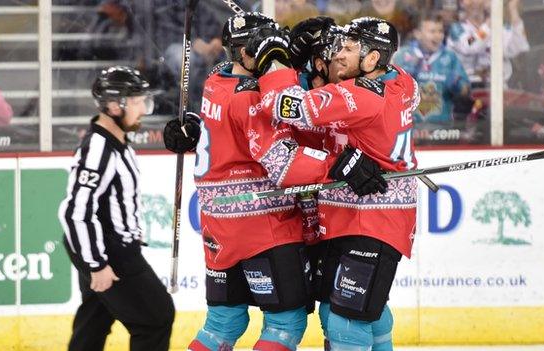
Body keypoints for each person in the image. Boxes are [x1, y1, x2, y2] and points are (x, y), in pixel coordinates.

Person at [162, 12, 387, 351]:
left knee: (225, 321)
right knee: (286, 323)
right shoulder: (255, 96)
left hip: (218, 225)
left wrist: (192, 125)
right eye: (267, 48)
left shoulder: (217, 80)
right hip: (264, 223)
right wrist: (339, 165)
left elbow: (230, 129)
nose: (275, 55)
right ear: (248, 54)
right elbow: (283, 160)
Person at [250, 16, 420, 350]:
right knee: (345, 311)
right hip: (356, 217)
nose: (339, 54)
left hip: (373, 220)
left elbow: (285, 107)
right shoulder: (403, 81)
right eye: (339, 47)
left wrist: (277, 59)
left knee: (345, 321)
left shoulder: (358, 95)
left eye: (349, 48)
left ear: (372, 59)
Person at [58, 66, 175, 351]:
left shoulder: (118, 143)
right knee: (156, 317)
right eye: (136, 102)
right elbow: (74, 213)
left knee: (94, 321)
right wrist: (96, 264)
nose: (143, 110)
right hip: (109, 251)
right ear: (113, 105)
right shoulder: (97, 149)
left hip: (106, 247)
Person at [393, 12, 470, 124]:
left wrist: (457, 84)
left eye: (440, 31)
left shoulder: (450, 57)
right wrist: (402, 79)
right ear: (418, 33)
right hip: (409, 127)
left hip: (443, 129)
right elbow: (388, 91)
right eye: (432, 31)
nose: (438, 36)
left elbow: (466, 91)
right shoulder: (403, 56)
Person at [446, 0, 491, 86]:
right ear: (461, 3)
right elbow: (469, 45)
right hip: (464, 86)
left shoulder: (496, 26)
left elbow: (515, 49)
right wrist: (488, 23)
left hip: (493, 86)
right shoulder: (456, 28)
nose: (475, 2)